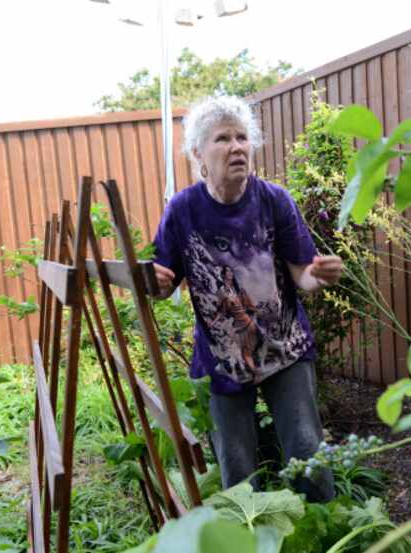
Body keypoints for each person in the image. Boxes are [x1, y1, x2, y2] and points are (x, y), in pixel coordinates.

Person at [151, 94, 342, 502]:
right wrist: (154, 281)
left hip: (285, 349)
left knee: (308, 454)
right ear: (199, 152)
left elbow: (301, 274)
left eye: (242, 137)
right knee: (237, 470)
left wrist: (318, 274)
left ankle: (325, 534)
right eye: (223, 138)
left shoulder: (274, 200)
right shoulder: (182, 210)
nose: (237, 147)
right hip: (222, 360)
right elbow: (163, 285)